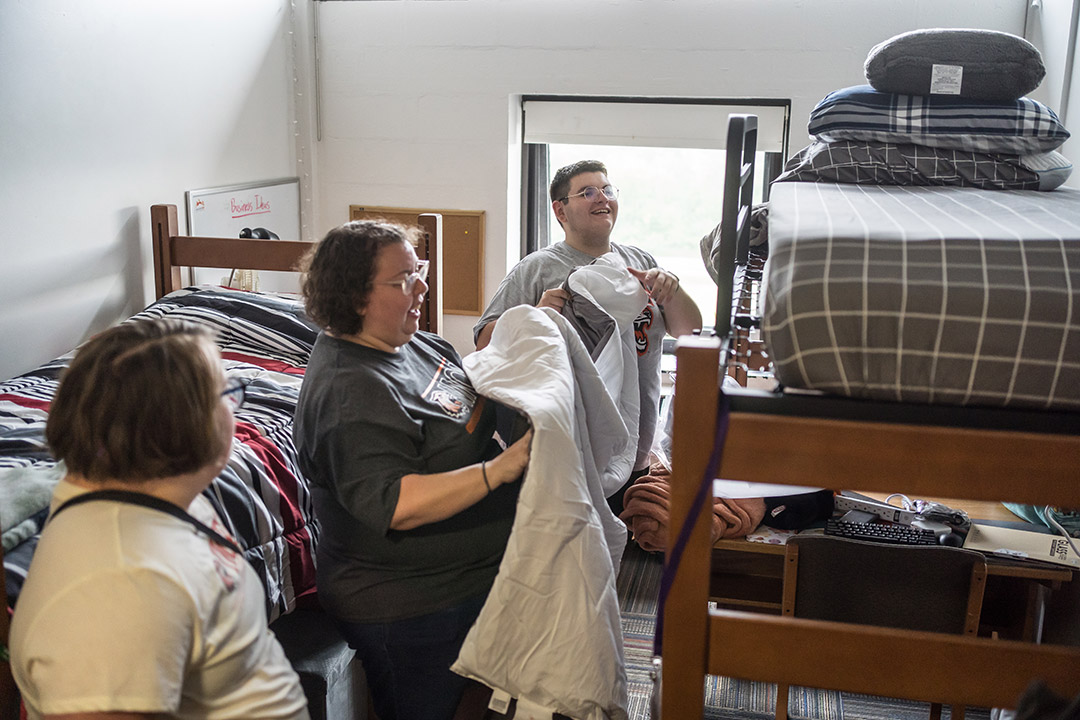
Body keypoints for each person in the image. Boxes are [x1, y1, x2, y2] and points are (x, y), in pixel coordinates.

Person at [292, 219, 533, 720]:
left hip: (476, 582)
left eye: (417, 269)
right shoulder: (349, 393)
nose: (422, 284)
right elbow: (396, 504)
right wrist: (502, 470)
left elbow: (474, 406)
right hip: (413, 610)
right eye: (403, 279)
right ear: (355, 296)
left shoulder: (418, 344)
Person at [10, 319, 309, 719]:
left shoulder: (165, 495)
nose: (236, 408)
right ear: (176, 423)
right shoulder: (117, 587)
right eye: (227, 393)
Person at [473, 159, 702, 512]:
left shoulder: (639, 261)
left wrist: (673, 288)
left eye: (608, 190)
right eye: (588, 192)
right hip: (565, 445)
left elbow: (691, 331)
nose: (602, 199)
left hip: (635, 445)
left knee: (622, 554)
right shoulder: (536, 268)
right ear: (559, 210)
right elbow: (484, 344)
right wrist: (537, 314)